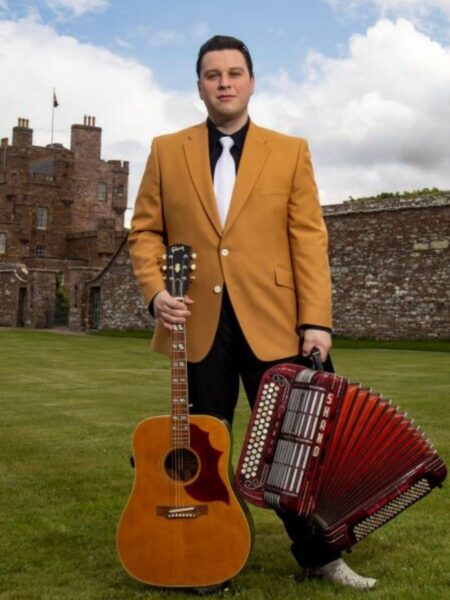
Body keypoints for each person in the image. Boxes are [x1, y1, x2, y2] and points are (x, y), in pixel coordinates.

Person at [129, 34, 376, 591]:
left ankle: (319, 556)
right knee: (203, 444)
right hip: (196, 323)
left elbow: (309, 242)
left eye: (234, 73)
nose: (224, 83)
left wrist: (318, 321)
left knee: (292, 450)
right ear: (198, 86)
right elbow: (144, 231)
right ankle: (205, 553)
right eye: (212, 75)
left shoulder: (290, 151)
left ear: (251, 81)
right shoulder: (166, 150)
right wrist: (154, 293)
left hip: (277, 322)